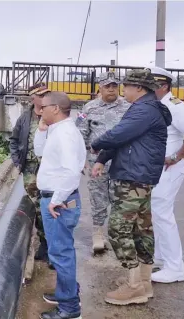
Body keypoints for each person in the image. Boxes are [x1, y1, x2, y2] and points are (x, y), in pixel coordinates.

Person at [90, 68, 172, 305]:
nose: (122, 90)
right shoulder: (144, 109)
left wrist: (96, 145)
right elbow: (125, 138)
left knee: (118, 229)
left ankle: (134, 285)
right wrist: (102, 160)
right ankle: (144, 282)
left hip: (133, 177)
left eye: (126, 86)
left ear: (139, 89)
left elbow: (118, 134)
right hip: (138, 176)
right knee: (141, 228)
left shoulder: (144, 110)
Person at [33, 91, 85, 319]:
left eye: (43, 106)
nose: (39, 110)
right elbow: (39, 152)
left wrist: (56, 200)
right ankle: (67, 292)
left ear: (55, 108)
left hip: (59, 202)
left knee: (61, 253)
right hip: (56, 198)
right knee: (61, 251)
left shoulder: (65, 135)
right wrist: (41, 129)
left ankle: (70, 308)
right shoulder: (57, 131)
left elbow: (72, 171)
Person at [76, 72, 130, 254]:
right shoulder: (89, 108)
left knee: (120, 198)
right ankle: (98, 233)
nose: (111, 89)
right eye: (107, 86)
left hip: (121, 162)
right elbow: (80, 133)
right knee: (98, 198)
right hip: (95, 163)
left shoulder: (128, 107)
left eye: (114, 86)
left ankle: (119, 236)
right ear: (100, 87)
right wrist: (81, 158)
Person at [149, 66, 184, 283]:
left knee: (163, 215)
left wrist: (175, 157)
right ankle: (162, 259)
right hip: (158, 170)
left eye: (151, 84)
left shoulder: (175, 106)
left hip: (169, 169)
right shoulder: (158, 105)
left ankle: (175, 268)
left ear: (162, 86)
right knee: (157, 214)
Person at [9, 83, 51, 266]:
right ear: (33, 98)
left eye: (46, 94)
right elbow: (14, 139)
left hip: (49, 169)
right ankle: (44, 243)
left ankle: (51, 246)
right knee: (37, 206)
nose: (44, 98)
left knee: (50, 205)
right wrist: (17, 160)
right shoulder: (25, 117)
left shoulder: (52, 115)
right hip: (31, 168)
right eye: (41, 95)